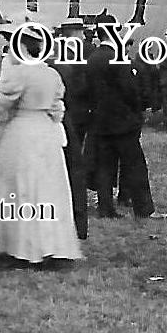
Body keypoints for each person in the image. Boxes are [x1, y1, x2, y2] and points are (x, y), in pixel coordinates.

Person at [0, 26, 83, 265]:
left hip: (23, 129)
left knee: (19, 186)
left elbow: (1, 103)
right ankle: (52, 244)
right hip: (45, 130)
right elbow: (58, 108)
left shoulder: (19, 74)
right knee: (49, 187)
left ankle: (20, 247)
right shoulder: (52, 74)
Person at [83, 19, 157, 219]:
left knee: (105, 166)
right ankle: (143, 209)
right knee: (135, 165)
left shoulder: (93, 58)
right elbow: (130, 90)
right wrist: (138, 108)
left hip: (100, 120)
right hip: (123, 121)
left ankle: (105, 208)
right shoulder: (118, 58)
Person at [49, 19, 91, 240]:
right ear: (75, 33)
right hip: (74, 114)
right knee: (75, 164)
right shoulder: (77, 57)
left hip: (63, 114)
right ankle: (76, 218)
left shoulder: (56, 56)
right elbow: (81, 86)